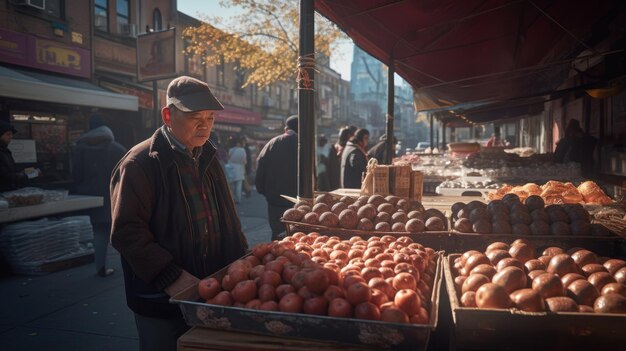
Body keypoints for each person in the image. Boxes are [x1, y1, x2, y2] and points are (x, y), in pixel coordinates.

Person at [110, 76, 248, 351]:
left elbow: (228, 218)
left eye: (210, 117)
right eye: (195, 116)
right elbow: (127, 232)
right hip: (160, 299)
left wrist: (243, 263)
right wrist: (170, 277)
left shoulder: (209, 156)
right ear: (168, 115)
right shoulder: (140, 163)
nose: (205, 124)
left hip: (211, 292)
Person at [72, 115, 126, 277]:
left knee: (99, 231)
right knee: (124, 232)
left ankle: (100, 267)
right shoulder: (117, 149)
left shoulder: (79, 149)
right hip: (114, 196)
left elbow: (76, 175)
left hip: (89, 197)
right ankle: (131, 268)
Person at [256, 115, 298, 241]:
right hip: (299, 201)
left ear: (286, 128)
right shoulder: (305, 144)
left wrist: (265, 191)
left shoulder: (271, 143)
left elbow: (260, 168)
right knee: (298, 236)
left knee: (278, 236)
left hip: (275, 201)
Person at [0, 120, 40, 192]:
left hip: (10, 191)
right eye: (8, 134)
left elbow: (14, 170)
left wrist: (31, 171)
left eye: (11, 134)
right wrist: (27, 175)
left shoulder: (6, 151)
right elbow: (4, 176)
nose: (11, 137)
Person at [228, 137, 247, 204]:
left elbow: (228, 158)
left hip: (231, 168)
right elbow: (244, 161)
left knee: (231, 185)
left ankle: (232, 198)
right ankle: (238, 199)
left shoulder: (231, 150)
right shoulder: (242, 150)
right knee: (238, 185)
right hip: (239, 168)